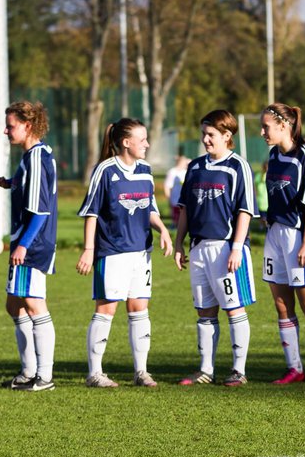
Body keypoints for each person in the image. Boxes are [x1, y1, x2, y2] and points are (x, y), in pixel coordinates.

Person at [76, 119, 174, 388]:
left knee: (139, 308)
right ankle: (95, 373)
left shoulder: (145, 170)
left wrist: (163, 230)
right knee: (107, 309)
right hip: (112, 252)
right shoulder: (105, 170)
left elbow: (150, 208)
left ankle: (141, 372)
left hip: (140, 252)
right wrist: (88, 250)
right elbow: (91, 212)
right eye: (142, 139)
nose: (147, 144)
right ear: (126, 142)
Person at [173, 109, 258, 387]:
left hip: (226, 249)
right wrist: (179, 243)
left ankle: (238, 370)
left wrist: (236, 248)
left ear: (227, 136)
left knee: (234, 309)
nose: (205, 139)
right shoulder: (195, 166)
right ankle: (205, 370)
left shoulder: (238, 166)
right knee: (205, 311)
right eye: (204, 134)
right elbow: (184, 208)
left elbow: (244, 211)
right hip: (199, 248)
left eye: (210, 134)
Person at [260, 103, 305, 385]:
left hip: (301, 236)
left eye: (266, 126)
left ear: (283, 125)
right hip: (276, 235)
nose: (262, 131)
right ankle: (295, 368)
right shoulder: (273, 154)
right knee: (281, 305)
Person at [0, 101, 58, 391]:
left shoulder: (35, 158)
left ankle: (43, 376)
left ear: (27, 126)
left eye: (11, 125)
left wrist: (23, 246)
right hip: (27, 241)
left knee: (33, 305)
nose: (6, 130)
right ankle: (28, 372)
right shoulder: (36, 155)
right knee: (14, 304)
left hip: (31, 242)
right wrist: (10, 183)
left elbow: (40, 210)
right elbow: (32, 186)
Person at [165, 154, 189, 227]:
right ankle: (175, 227)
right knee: (176, 214)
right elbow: (167, 186)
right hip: (175, 198)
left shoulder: (186, 172)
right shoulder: (172, 172)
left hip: (184, 198)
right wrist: (168, 197)